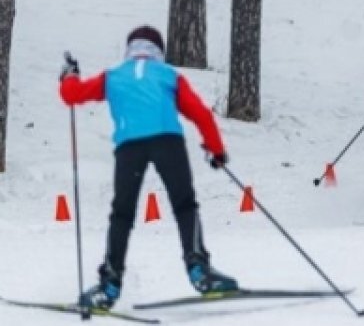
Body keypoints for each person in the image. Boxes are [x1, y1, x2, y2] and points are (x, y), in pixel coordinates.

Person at [59, 26, 237, 311]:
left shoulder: (113, 76)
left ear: (130, 49)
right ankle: (200, 271)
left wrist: (70, 76)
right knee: (184, 206)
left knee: (122, 214)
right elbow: (201, 114)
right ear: (159, 51)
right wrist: (216, 150)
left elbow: (72, 95)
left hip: (130, 146)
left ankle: (109, 285)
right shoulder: (168, 75)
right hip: (168, 140)